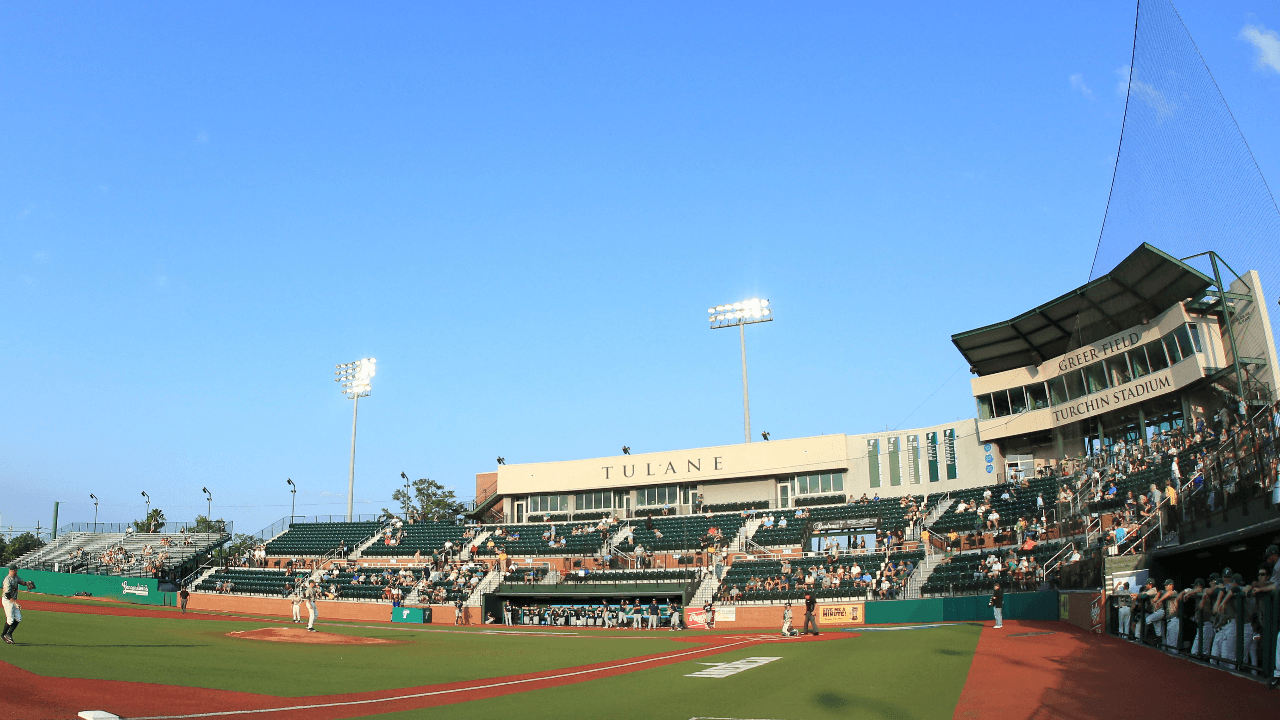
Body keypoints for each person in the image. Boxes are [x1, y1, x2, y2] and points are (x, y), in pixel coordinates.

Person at [2, 566, 35, 644]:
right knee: (10, 620)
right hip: (8, 600)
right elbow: (7, 595)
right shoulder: (7, 580)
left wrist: (27, 583)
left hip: (13, 600)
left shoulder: (16, 577)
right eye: (16, 570)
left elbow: (21, 582)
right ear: (12, 571)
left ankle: (9, 634)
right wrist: (15, 603)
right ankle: (3, 635)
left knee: (18, 618)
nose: (17, 572)